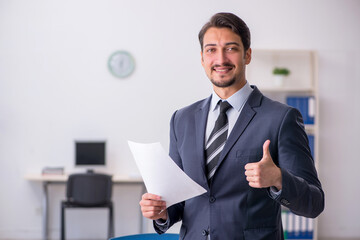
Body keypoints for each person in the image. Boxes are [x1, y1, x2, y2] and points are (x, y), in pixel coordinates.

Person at [139, 12, 324, 240]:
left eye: (231, 48)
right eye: (211, 50)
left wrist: (278, 178)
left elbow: (314, 203)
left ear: (247, 55)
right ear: (202, 58)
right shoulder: (182, 119)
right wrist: (161, 211)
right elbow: (181, 200)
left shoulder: (281, 118)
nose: (221, 59)